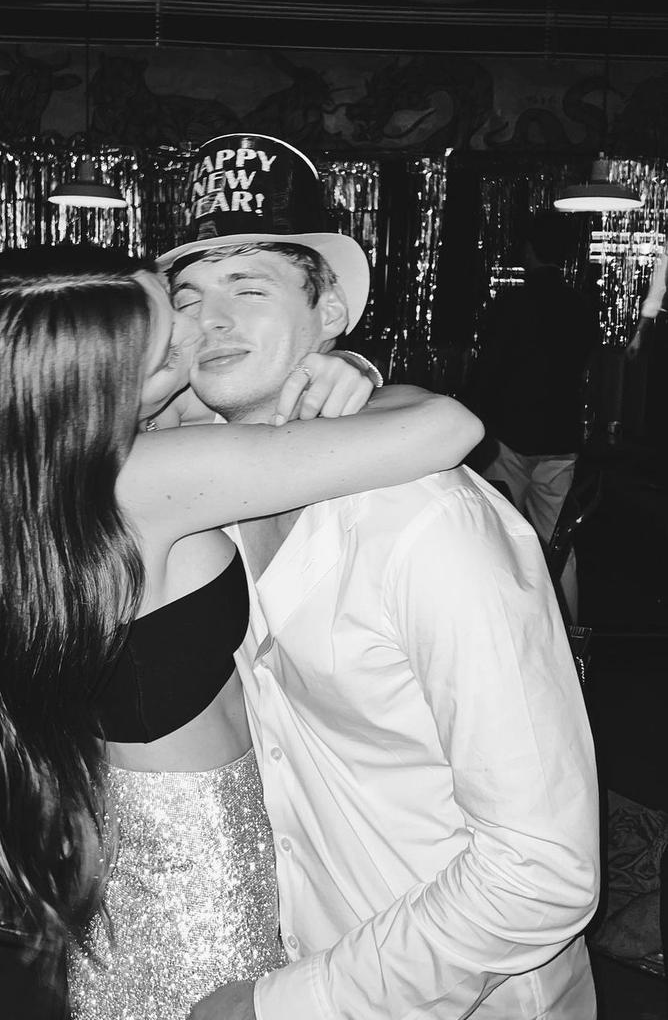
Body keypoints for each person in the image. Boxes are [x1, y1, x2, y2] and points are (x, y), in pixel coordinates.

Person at [0, 242, 482, 1020]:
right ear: (98, 384)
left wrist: (343, 367)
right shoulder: (144, 478)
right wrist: (359, 378)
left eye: (175, 305)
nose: (197, 334)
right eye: (167, 345)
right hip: (201, 870)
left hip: (144, 839)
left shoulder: (32, 472)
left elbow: (266, 415)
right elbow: (447, 427)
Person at [156, 134, 601, 1020]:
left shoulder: (428, 526)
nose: (212, 321)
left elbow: (542, 871)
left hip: (466, 994)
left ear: (329, 312)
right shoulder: (210, 491)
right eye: (189, 297)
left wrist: (283, 1005)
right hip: (301, 946)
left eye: (249, 287)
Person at [467, 210, 601, 622]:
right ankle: (569, 633)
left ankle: (501, 625)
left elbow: (490, 371)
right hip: (559, 435)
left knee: (496, 535)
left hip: (509, 436)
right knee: (558, 542)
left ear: (528, 250)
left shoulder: (512, 303)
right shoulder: (581, 306)